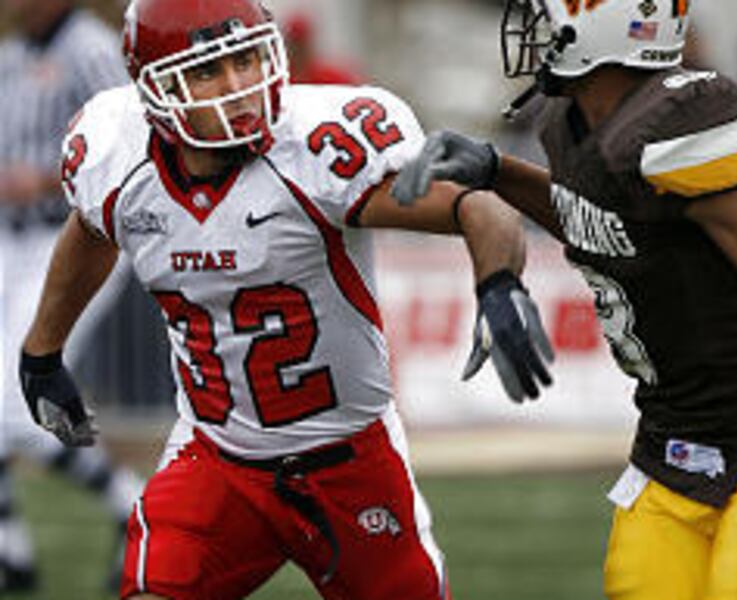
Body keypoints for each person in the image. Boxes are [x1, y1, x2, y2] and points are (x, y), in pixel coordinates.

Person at [17, 0, 554, 598]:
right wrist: (42, 351)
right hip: (216, 459)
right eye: (207, 72)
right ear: (155, 89)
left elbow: (477, 207)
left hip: (350, 462)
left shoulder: (316, 149)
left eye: (246, 59)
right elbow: (91, 229)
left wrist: (498, 284)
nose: (239, 87)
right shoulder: (116, 158)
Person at [392, 0, 737, 598]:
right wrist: (495, 170)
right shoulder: (571, 121)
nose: (534, 26)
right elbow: (598, 218)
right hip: (669, 446)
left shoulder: (674, 123)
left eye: (547, 10)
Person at [0, 0, 144, 591]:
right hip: (10, 242)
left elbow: (131, 147)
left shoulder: (91, 49)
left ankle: (132, 502)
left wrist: (45, 175)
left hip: (73, 240)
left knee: (15, 401)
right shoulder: (12, 55)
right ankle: (11, 549)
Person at [282, 11, 362, 85]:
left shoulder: (331, 77)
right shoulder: (280, 78)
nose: (297, 50)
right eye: (294, 44)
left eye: (301, 44)